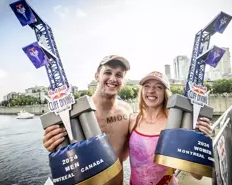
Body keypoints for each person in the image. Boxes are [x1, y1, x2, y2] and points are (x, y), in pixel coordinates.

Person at [42, 55, 134, 185]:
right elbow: (62, 155)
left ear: (123, 80)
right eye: (107, 72)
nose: (113, 78)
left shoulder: (127, 110)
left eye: (119, 75)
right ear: (97, 76)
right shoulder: (74, 114)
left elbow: (128, 151)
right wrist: (51, 143)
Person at [128, 71, 212, 185]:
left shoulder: (175, 125)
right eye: (147, 86)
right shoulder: (133, 121)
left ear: (165, 93)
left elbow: (197, 175)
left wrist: (201, 139)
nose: (151, 91)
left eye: (158, 87)